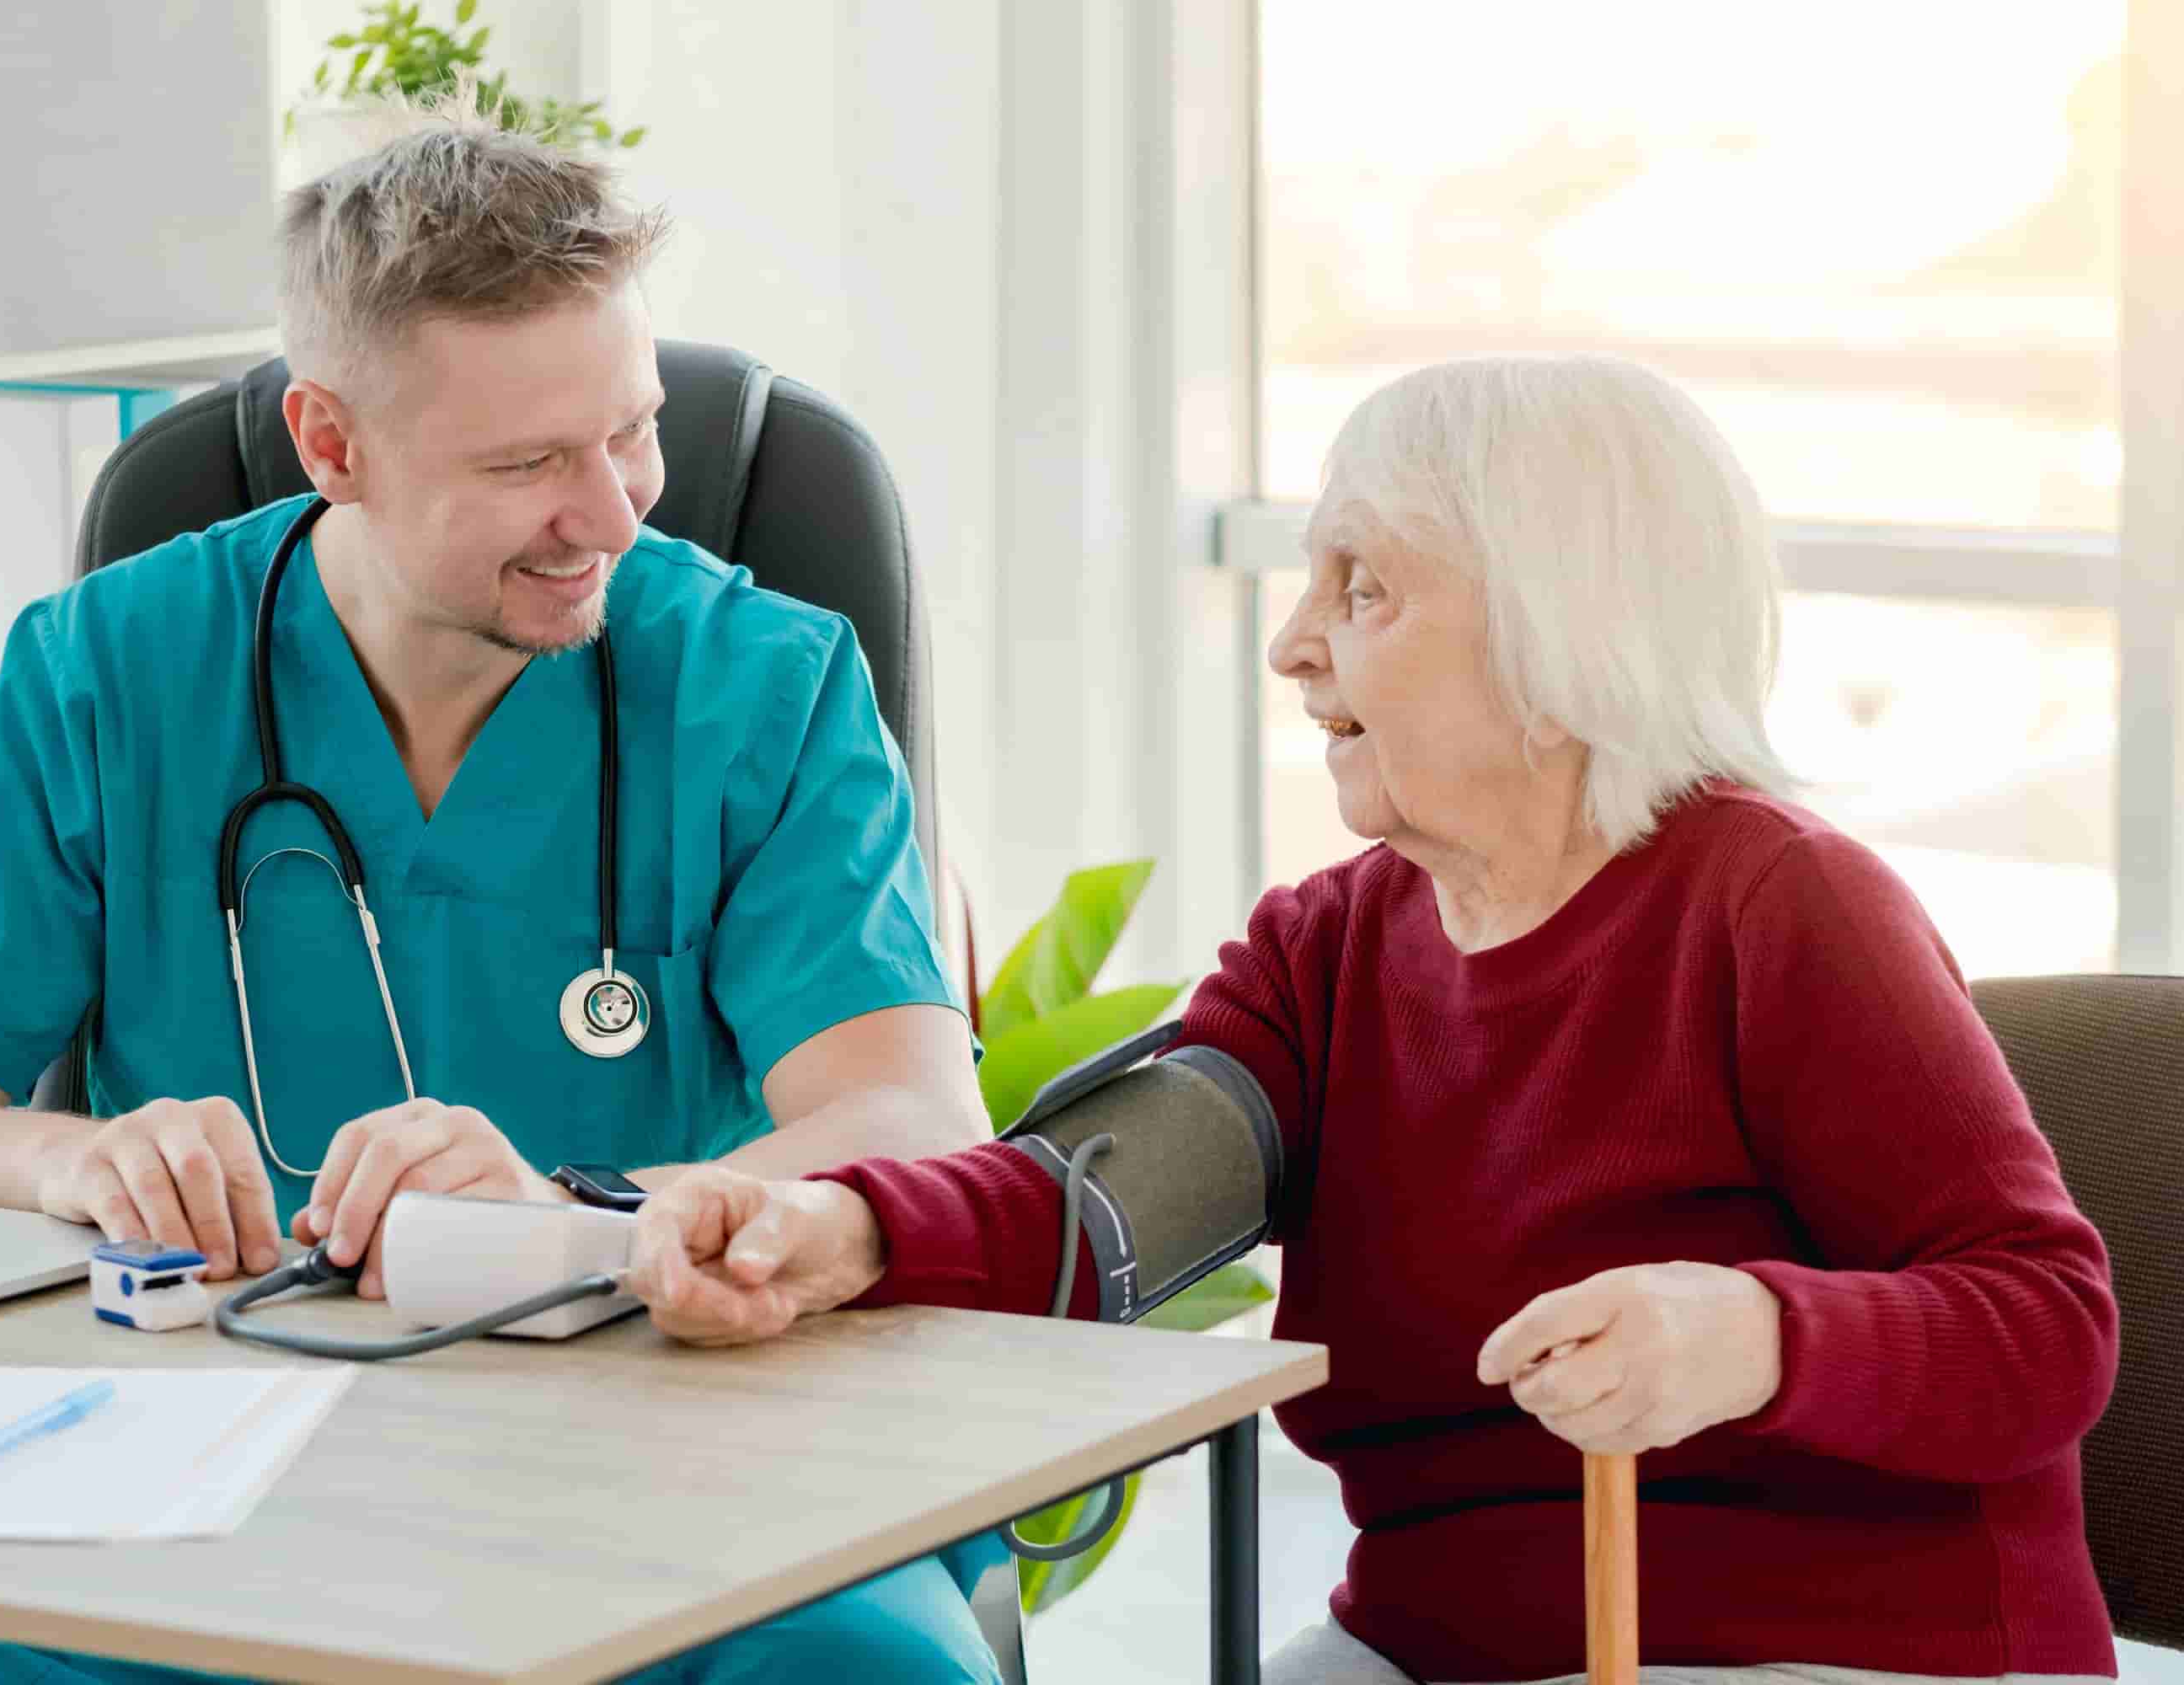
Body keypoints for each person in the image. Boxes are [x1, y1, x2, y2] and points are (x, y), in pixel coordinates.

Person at [0, 106, 1003, 1685]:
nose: (613, 514)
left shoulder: (762, 683)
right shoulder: (115, 669)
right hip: (214, 1435)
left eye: (632, 431)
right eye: (530, 463)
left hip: (668, 1426)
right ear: (333, 444)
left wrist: (579, 1216)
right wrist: (72, 1158)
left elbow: (916, 1123)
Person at [623, 358, 2123, 1684]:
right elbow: (1101, 1204)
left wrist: (1757, 1337)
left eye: (1364, 591)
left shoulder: (1778, 904)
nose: (1293, 647)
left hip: (1830, 1650)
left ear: (1556, 647)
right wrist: (850, 1229)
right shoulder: (1331, 947)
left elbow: (2048, 1326)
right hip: (1435, 1647)